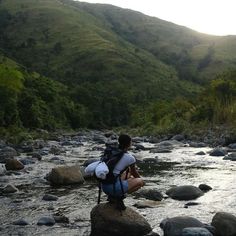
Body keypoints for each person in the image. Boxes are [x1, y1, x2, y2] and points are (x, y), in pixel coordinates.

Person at [101, 134, 144, 209]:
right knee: (140, 181)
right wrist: (142, 182)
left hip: (104, 186)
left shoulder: (113, 152)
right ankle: (119, 197)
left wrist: (130, 178)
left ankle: (112, 197)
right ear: (129, 143)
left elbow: (130, 172)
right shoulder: (130, 158)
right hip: (113, 189)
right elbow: (135, 173)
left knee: (128, 171)